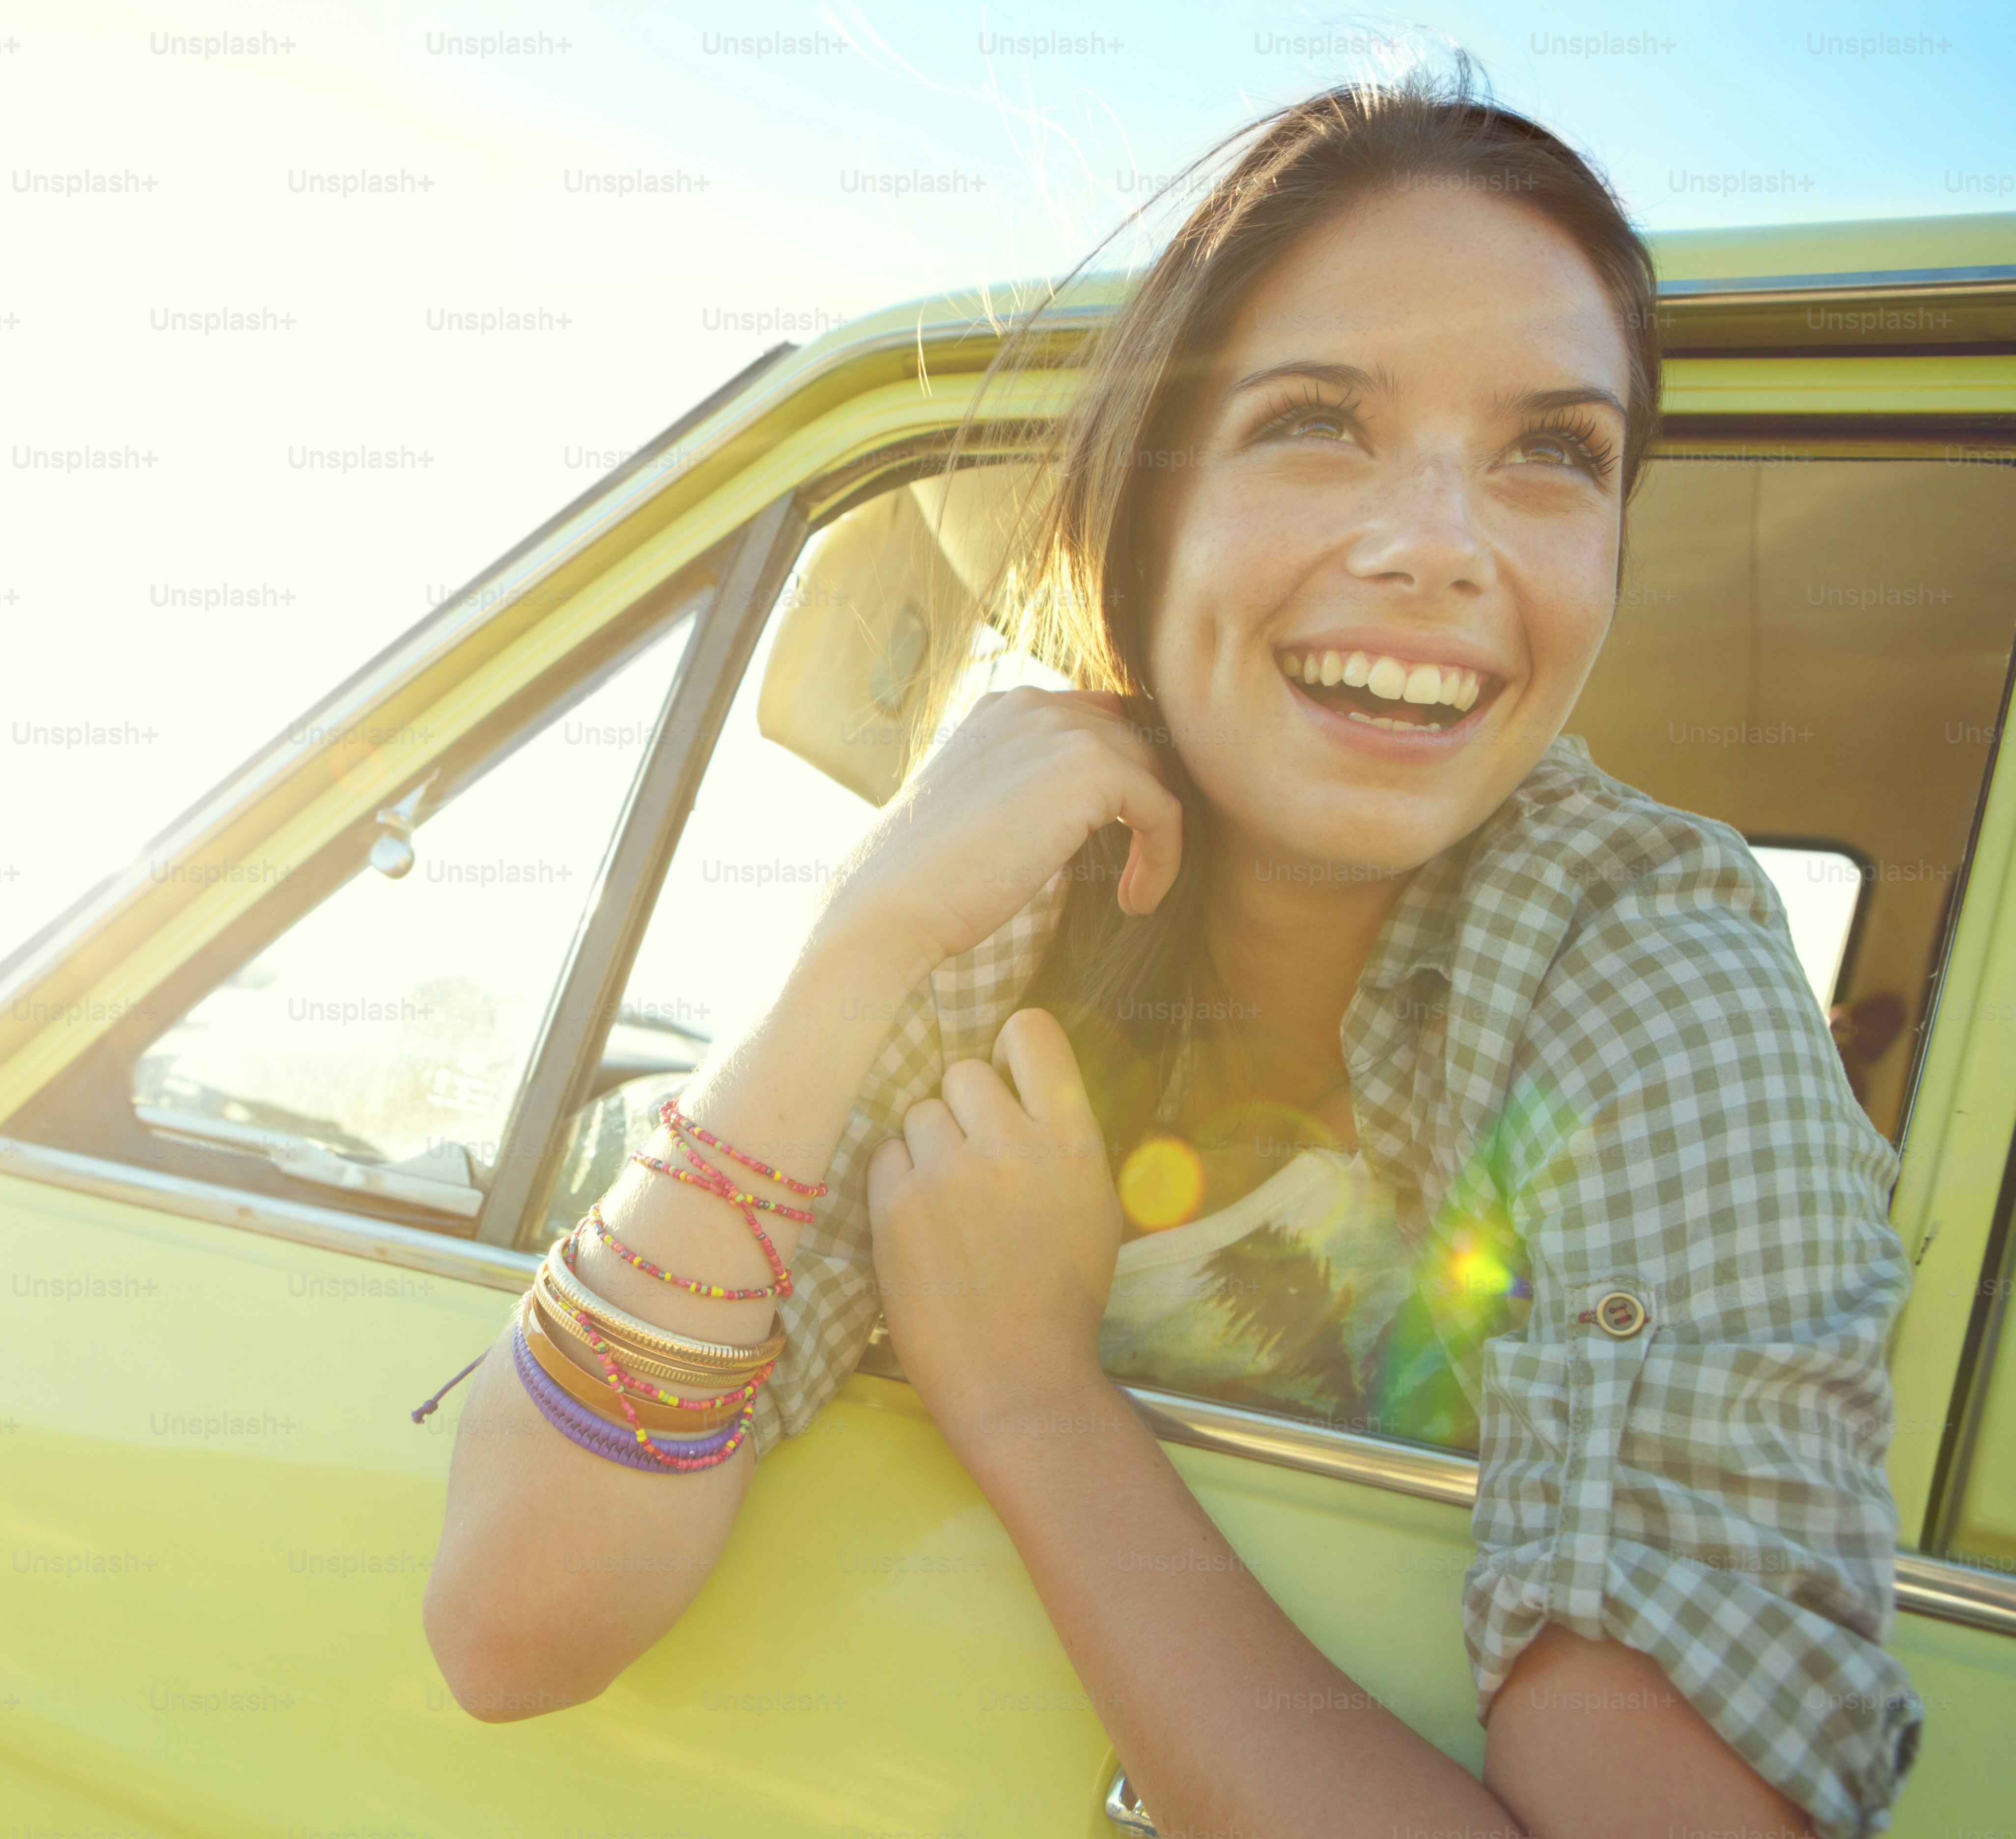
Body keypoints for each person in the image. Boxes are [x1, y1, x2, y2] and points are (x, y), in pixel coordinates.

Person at [422, 60, 1919, 1839]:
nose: (1437, 546)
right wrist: (865, 938)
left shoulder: (1651, 963)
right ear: (1151, 502)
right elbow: (516, 1622)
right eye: (1317, 422)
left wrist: (1036, 1399)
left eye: (1552, 453)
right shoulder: (1003, 922)